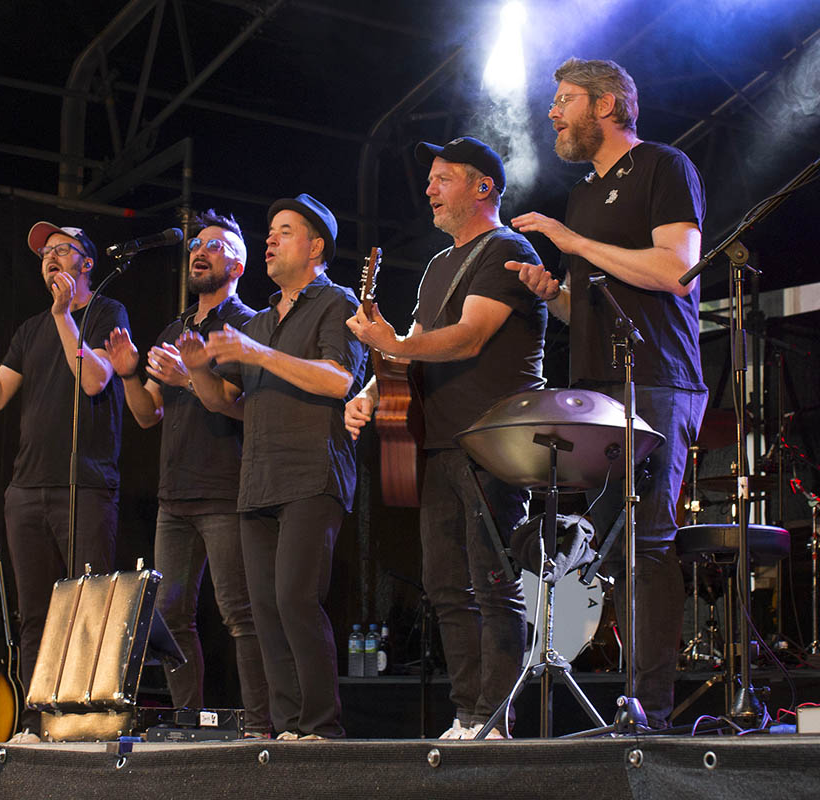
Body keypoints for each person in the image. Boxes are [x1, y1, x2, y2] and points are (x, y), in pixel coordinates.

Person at [506, 58, 708, 729]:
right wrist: (555, 294)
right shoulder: (583, 197)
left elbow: (677, 270)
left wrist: (572, 242)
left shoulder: (663, 166)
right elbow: (591, 302)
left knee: (647, 540)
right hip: (597, 388)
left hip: (656, 376)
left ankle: (649, 708)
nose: (552, 112)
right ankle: (625, 699)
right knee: (612, 547)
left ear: (609, 104)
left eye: (564, 100)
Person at [345, 137, 547, 739]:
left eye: (442, 178)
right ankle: (467, 716)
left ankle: (496, 718)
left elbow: (467, 336)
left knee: (492, 582)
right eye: (430, 179)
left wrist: (395, 345)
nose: (429, 189)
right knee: (444, 586)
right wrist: (370, 394)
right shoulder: (437, 267)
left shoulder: (507, 249)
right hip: (439, 443)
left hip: (493, 441)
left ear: (483, 186)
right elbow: (409, 348)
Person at [178, 194, 366, 740]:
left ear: (315, 247)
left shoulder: (337, 303)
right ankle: (286, 730)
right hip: (256, 481)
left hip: (312, 474)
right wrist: (199, 373)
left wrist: (257, 355)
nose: (271, 239)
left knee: (295, 600)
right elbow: (224, 404)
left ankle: (321, 728)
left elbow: (337, 380)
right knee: (263, 610)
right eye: (270, 232)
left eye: (284, 231)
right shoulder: (258, 323)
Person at [0, 221, 128, 735]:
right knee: (36, 615)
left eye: (61, 250)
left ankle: (89, 720)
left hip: (86, 485)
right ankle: (37, 721)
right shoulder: (31, 329)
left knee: (89, 607)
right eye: (44, 253)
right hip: (27, 490)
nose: (50, 257)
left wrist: (64, 317)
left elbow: (95, 379)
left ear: (86, 263)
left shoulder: (106, 313)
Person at [102, 209, 271, 736]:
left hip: (224, 489)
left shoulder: (247, 326)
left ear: (239, 265)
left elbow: (239, 405)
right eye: (197, 244)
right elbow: (147, 413)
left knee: (239, 613)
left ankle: (261, 724)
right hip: (173, 497)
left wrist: (188, 376)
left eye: (216, 245)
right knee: (172, 616)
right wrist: (130, 373)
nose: (201, 250)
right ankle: (186, 721)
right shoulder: (176, 328)